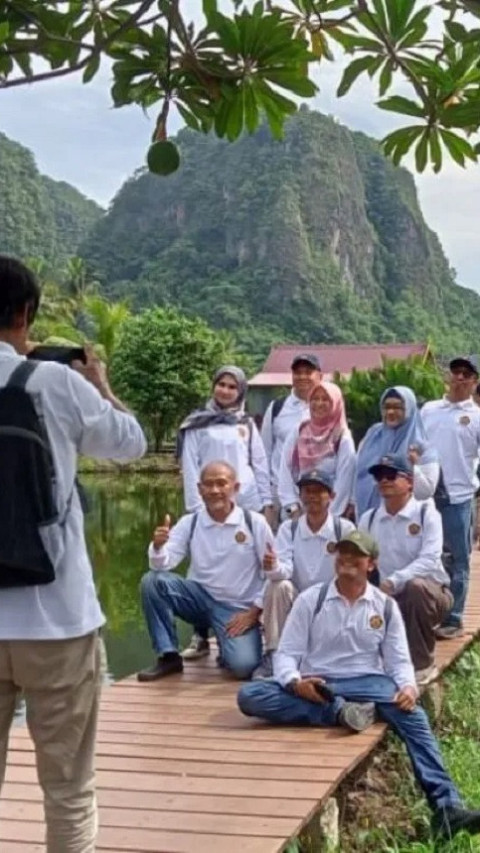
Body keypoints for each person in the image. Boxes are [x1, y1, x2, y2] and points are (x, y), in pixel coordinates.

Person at [0, 256, 147, 853]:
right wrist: (98, 384)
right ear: (26, 314)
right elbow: (131, 445)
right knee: (68, 789)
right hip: (56, 621)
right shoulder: (54, 384)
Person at [237, 530, 480, 843]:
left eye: (357, 555)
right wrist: (295, 682)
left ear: (372, 563)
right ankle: (340, 712)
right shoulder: (312, 599)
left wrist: (407, 687)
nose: (348, 560)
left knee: (414, 716)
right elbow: (287, 654)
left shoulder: (385, 606)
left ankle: (447, 806)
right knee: (251, 695)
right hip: (320, 683)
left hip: (368, 682)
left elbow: (398, 661)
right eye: (343, 553)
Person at [137, 461, 275, 682]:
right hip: (198, 600)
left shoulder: (254, 523)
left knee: (243, 667)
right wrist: (158, 546)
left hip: (236, 609)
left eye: (221, 483)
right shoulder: (190, 523)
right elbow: (162, 565)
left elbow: (273, 574)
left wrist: (254, 612)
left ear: (236, 488)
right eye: (208, 485)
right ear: (200, 490)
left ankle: (225, 644)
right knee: (152, 582)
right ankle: (168, 654)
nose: (215, 490)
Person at [177, 366, 273, 660]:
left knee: (248, 567)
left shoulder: (245, 423)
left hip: (245, 503)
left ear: (240, 392)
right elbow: (191, 464)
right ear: (213, 386)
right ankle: (200, 635)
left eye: (232, 387)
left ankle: (244, 628)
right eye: (221, 384)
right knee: (203, 568)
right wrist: (196, 509)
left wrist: (266, 503)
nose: (226, 391)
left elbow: (259, 462)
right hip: (207, 503)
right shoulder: (196, 423)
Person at [358, 453, 452, 686]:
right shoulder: (369, 519)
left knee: (415, 587)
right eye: (379, 476)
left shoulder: (426, 513)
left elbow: (430, 559)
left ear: (409, 481)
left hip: (431, 592)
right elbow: (359, 560)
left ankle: (423, 664)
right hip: (389, 595)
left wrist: (393, 581)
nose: (384, 481)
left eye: (391, 475)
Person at [252, 468, 355, 679]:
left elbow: (352, 573)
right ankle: (275, 654)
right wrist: (272, 567)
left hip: (333, 603)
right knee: (278, 586)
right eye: (307, 491)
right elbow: (285, 570)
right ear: (300, 496)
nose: (312, 496)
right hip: (298, 602)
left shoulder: (344, 529)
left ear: (331, 496)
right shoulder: (288, 529)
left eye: (318, 491)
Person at [422, 357, 480, 638]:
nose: (460, 378)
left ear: (475, 382)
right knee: (430, 556)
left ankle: (454, 618)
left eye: (466, 374)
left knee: (459, 560)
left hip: (459, 498)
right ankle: (430, 613)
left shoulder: (477, 416)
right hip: (426, 497)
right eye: (456, 372)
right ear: (449, 376)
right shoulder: (429, 410)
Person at [355, 385, 440, 519]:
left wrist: (415, 466)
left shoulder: (423, 445)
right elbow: (357, 474)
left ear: (409, 409)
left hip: (408, 519)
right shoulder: (373, 435)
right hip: (369, 517)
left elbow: (426, 491)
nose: (390, 412)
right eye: (387, 407)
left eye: (397, 407)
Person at [278, 381, 355, 517]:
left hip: (330, 515)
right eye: (315, 398)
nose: (319, 403)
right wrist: (292, 507)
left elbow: (344, 481)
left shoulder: (342, 437)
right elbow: (285, 469)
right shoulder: (300, 430)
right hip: (297, 512)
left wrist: (326, 517)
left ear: (336, 404)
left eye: (325, 399)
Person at [261, 353, 322, 526]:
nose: (302, 376)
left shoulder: (328, 408)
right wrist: (268, 499)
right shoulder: (277, 408)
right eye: (297, 372)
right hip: (279, 495)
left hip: (316, 492)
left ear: (320, 376)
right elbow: (264, 453)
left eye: (308, 372)